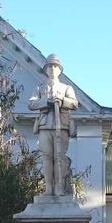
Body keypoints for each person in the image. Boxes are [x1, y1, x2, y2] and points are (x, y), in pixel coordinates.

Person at [27, 54, 79, 196]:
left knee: (59, 157)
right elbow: (31, 104)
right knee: (47, 157)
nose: (52, 69)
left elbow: (75, 103)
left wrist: (62, 101)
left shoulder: (67, 88)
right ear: (46, 70)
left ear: (60, 70)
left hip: (61, 126)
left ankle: (59, 188)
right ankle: (48, 188)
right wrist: (47, 102)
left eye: (55, 66)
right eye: (49, 66)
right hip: (44, 125)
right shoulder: (40, 88)